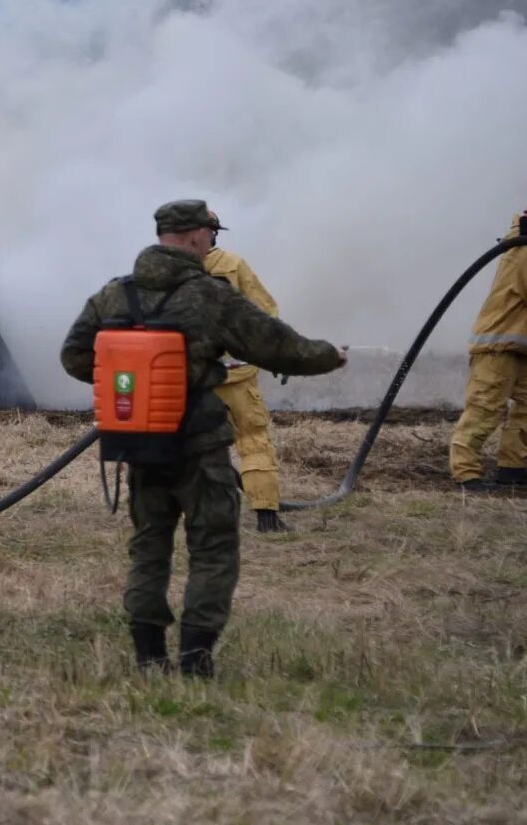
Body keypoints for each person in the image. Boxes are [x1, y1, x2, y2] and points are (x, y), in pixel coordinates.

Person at [61, 199, 345, 677]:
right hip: (199, 447)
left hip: (140, 445)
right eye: (210, 234)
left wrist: (131, 379)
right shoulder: (208, 296)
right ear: (195, 235)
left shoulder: (115, 295)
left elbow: (74, 357)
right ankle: (196, 660)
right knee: (213, 548)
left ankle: (149, 657)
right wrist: (329, 355)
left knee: (149, 546)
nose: (212, 242)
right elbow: (276, 345)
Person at [201, 211, 288, 531]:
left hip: (188, 380)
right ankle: (267, 517)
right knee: (253, 441)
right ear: (212, 233)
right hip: (235, 376)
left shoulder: (165, 270)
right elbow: (266, 315)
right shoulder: (233, 265)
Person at [449, 209, 527, 493]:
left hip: (519, 346)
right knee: (485, 409)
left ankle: (514, 467)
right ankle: (466, 472)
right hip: (498, 346)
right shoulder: (522, 248)